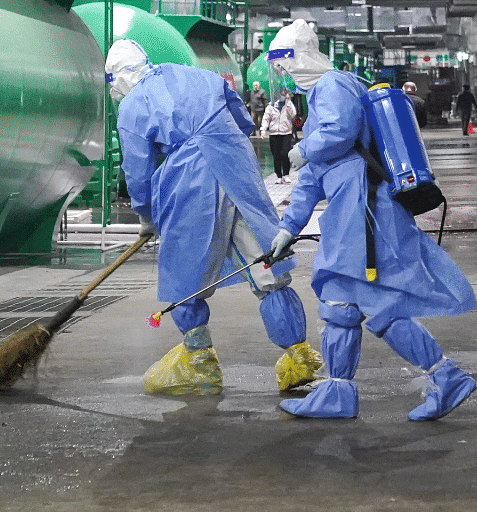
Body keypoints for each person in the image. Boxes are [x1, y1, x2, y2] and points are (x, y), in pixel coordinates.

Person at [265, 20, 477, 421]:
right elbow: (314, 175)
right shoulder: (322, 96)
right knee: (341, 300)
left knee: (373, 301)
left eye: (286, 63)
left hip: (364, 211)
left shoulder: (333, 85)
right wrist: (287, 227)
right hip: (354, 210)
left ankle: (444, 376)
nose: (285, 73)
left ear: (302, 55)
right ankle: (339, 391)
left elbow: (340, 133)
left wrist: (304, 147)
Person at [105, 39, 322, 397]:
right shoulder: (196, 75)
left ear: (117, 78)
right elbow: (240, 117)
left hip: (191, 179)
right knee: (263, 261)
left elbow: (138, 173)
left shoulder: (131, 106)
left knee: (184, 269)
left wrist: (146, 214)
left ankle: (199, 363)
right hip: (235, 163)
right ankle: (298, 356)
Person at [260, 88, 300, 184]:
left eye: (284, 94)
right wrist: (263, 130)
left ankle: (286, 175)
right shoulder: (271, 106)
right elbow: (266, 118)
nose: (283, 96)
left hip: (286, 132)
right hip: (274, 134)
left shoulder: (288, 105)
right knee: (276, 155)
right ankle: (279, 175)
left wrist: (289, 102)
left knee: (285, 153)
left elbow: (293, 114)